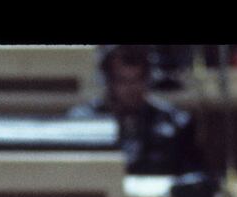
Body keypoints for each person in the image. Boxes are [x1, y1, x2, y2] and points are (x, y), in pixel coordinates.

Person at [67, 44, 207, 176]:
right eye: (123, 81)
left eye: (138, 79)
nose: (131, 89)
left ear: (148, 79)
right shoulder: (82, 122)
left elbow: (194, 176)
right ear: (108, 82)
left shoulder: (177, 124)